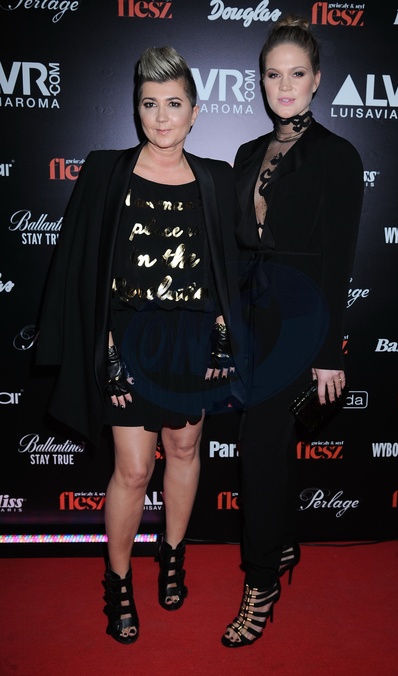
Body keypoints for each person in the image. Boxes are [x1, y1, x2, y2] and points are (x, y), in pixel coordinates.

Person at [36, 46, 240, 645]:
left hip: (192, 340)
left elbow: (230, 268)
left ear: (195, 112)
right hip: (126, 338)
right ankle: (118, 580)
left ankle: (172, 555)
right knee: (132, 468)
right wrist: (107, 354)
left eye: (174, 104)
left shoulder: (217, 179)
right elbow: (81, 269)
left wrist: (222, 339)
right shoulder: (106, 172)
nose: (161, 117)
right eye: (150, 104)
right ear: (136, 109)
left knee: (185, 447)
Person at [221, 16, 364, 647]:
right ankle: (280, 544)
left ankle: (260, 585)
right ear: (260, 81)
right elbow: (237, 248)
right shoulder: (247, 154)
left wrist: (328, 352)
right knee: (269, 449)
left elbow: (338, 262)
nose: (284, 86)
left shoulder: (338, 156)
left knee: (258, 454)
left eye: (296, 74)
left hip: (299, 328)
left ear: (317, 80)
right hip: (252, 325)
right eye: (273, 75)